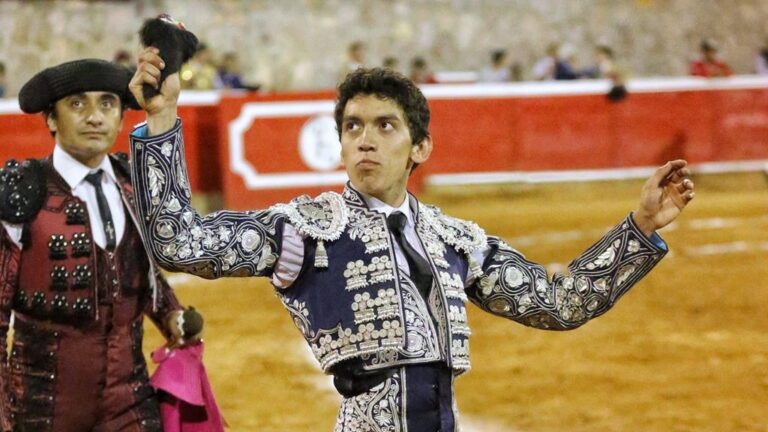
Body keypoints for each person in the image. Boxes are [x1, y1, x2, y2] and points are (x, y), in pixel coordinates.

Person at [129, 48, 695, 431]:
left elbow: (558, 303)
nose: (365, 140)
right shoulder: (304, 228)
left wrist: (640, 227)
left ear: (419, 147)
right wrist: (162, 119)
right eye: (353, 127)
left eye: (385, 126)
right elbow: (181, 243)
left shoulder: (455, 239)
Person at [0, 58, 199, 432]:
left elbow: (142, 274)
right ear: (51, 119)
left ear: (121, 118)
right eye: (77, 104)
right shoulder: (20, 194)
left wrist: (171, 315)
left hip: (130, 402)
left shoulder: (133, 185)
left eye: (107, 104)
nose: (94, 117)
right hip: (42, 410)